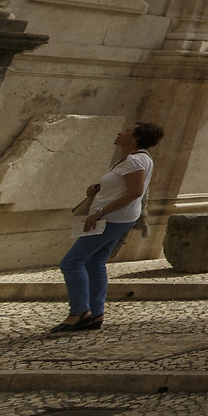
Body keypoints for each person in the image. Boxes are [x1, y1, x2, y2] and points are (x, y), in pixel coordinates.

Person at [51, 121, 164, 333]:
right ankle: (95, 313)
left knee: (71, 262)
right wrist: (97, 191)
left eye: (128, 131)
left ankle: (79, 312)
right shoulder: (132, 159)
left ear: (136, 137)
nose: (121, 132)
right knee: (95, 262)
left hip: (112, 218)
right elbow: (123, 188)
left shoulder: (135, 160)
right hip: (117, 217)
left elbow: (135, 191)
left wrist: (100, 212)